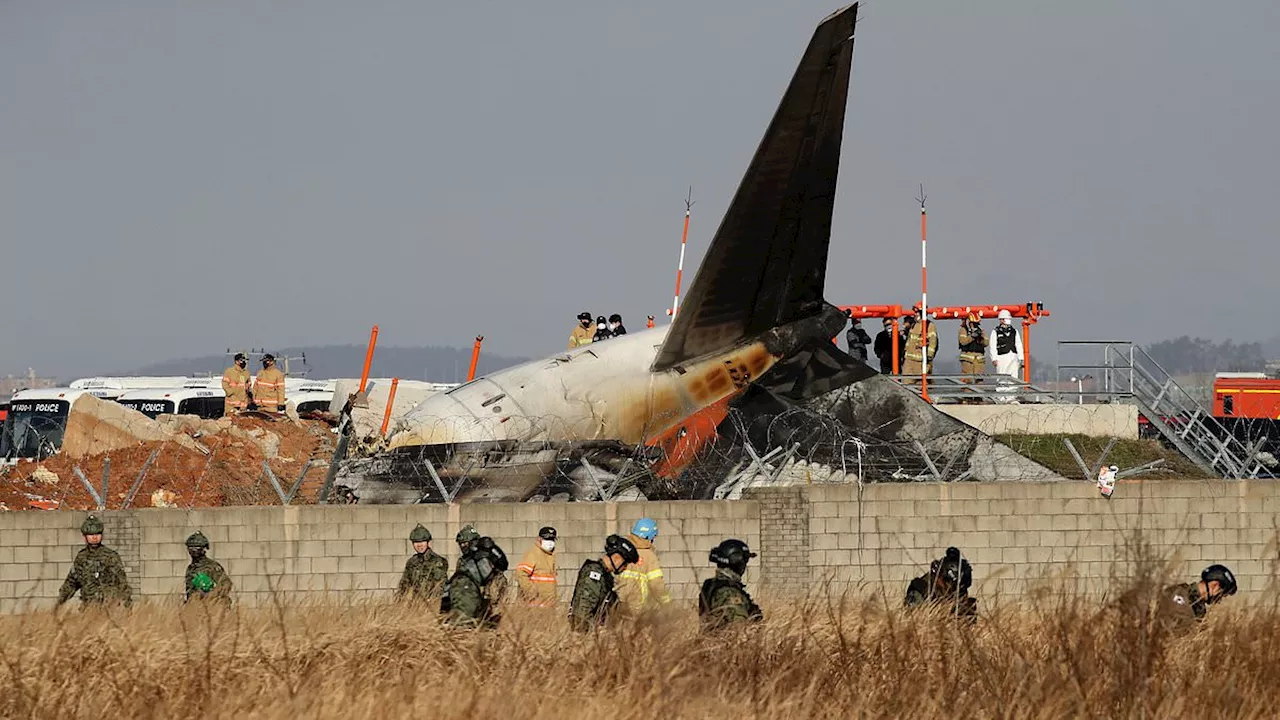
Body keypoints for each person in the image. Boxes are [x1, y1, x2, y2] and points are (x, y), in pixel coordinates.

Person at [57, 515, 133, 608]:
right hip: (88, 606)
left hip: (109, 607)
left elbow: (121, 582)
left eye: (97, 534)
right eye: (91, 535)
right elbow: (72, 581)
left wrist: (127, 604)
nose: (94, 537)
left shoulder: (110, 556)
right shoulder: (81, 557)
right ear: (85, 537)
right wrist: (60, 602)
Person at [569, 534, 639, 632]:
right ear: (616, 558)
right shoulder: (594, 573)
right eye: (625, 563)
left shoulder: (606, 577)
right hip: (587, 637)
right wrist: (599, 632)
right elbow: (582, 615)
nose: (625, 567)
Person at [440, 537, 508, 629]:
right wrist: (491, 628)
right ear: (482, 562)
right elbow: (463, 630)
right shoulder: (465, 586)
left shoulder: (461, 580)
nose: (492, 575)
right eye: (492, 568)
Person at [699, 538, 764, 631]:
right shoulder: (729, 592)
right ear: (738, 562)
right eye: (744, 561)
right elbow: (739, 628)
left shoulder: (710, 585)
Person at [904, 546, 977, 620]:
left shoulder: (959, 591)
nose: (957, 590)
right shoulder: (921, 590)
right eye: (954, 586)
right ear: (942, 578)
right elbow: (913, 622)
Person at [616, 517, 671, 613]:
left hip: (619, 607)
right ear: (648, 537)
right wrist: (668, 604)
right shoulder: (649, 556)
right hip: (640, 610)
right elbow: (656, 584)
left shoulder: (621, 551)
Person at [1159, 564, 1237, 628]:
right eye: (1221, 595)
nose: (1219, 600)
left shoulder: (1198, 607)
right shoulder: (1178, 594)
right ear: (1215, 586)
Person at [396, 523, 448, 602]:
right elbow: (404, 584)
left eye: (422, 541)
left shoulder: (437, 561)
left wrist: (431, 600)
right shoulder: (412, 562)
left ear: (428, 542)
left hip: (432, 605)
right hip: (415, 605)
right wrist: (399, 601)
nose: (419, 545)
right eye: (416, 542)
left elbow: (440, 586)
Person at [183, 531, 232, 605]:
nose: (193, 551)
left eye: (196, 548)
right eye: (190, 548)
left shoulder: (212, 566)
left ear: (203, 550)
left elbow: (226, 585)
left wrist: (210, 594)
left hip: (212, 606)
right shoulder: (191, 568)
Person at [515, 526, 559, 608]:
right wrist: (532, 592)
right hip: (535, 606)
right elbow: (520, 573)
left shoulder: (550, 556)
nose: (550, 542)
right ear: (539, 539)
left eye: (552, 540)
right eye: (547, 539)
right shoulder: (533, 554)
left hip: (549, 605)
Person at [901, 307, 938, 380]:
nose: (915, 314)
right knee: (906, 383)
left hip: (920, 360)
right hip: (908, 360)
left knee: (920, 384)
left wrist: (929, 357)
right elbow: (910, 340)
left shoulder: (929, 325)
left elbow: (933, 342)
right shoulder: (914, 325)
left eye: (917, 313)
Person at [988, 310, 1024, 381]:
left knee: (1013, 376)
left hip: (1013, 356)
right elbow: (992, 346)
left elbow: (1018, 345)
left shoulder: (1014, 331)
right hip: (1001, 357)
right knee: (1002, 376)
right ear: (1001, 320)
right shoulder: (995, 332)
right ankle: (1002, 391)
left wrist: (1021, 358)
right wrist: (994, 359)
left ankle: (1013, 391)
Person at [958, 313, 987, 382]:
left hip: (979, 360)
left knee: (979, 379)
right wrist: (972, 336)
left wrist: (981, 337)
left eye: (977, 323)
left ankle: (979, 392)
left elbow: (986, 343)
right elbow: (963, 342)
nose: (975, 325)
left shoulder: (981, 331)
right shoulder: (963, 330)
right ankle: (968, 392)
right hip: (967, 359)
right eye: (973, 323)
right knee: (968, 380)